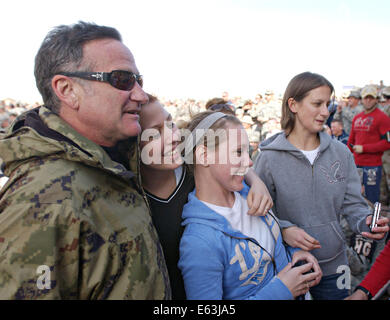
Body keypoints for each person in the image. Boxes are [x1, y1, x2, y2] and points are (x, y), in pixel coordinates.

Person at [0, 22, 171, 299]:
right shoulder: (42, 200)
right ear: (67, 90)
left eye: (139, 81)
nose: (140, 95)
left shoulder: (116, 160)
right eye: (122, 80)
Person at [254, 72, 389, 300]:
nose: (326, 112)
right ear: (293, 104)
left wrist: (365, 221)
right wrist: (284, 229)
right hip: (290, 269)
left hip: (336, 266)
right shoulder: (268, 159)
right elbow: (260, 215)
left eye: (328, 104)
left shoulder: (341, 153)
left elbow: (353, 204)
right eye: (317, 103)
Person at [139, 96, 275, 299]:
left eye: (171, 124)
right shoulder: (133, 203)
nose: (173, 136)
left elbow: (227, 159)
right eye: (155, 133)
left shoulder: (189, 164)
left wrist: (257, 182)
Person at [178, 111, 322, 300]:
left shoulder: (250, 194)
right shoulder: (199, 242)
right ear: (204, 155)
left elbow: (266, 247)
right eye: (238, 152)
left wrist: (294, 254)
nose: (249, 161)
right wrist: (282, 290)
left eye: (247, 152)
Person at [347, 85, 390, 204]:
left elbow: (387, 143)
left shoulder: (382, 118)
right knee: (354, 195)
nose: (368, 100)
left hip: (373, 166)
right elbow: (351, 140)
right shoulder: (357, 118)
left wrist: (365, 148)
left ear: (376, 99)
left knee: (371, 197)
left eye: (371, 98)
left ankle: (373, 221)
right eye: (366, 98)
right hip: (356, 164)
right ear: (361, 99)